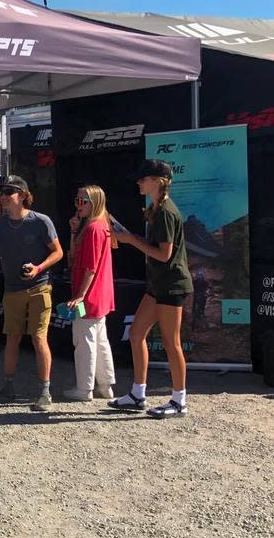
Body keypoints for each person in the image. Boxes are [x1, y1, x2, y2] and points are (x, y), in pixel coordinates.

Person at [109, 158, 193, 418]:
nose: (138, 182)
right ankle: (137, 393)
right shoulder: (158, 208)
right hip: (158, 285)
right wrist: (130, 238)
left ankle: (179, 401)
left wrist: (131, 240)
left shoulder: (166, 211)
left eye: (143, 178)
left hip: (171, 285)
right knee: (136, 334)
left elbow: (164, 255)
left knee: (171, 342)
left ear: (158, 181)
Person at [0, 175, 64, 411]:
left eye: (8, 192)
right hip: (12, 290)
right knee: (12, 338)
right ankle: (8, 387)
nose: (3, 196)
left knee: (39, 338)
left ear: (23, 195)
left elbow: (58, 252)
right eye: (1, 192)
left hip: (39, 287)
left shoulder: (40, 221)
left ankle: (45, 392)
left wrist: (38, 268)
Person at [63, 185, 116, 401]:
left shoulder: (94, 228)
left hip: (91, 294)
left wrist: (80, 295)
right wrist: (74, 231)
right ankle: (105, 385)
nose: (78, 205)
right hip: (99, 293)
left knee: (84, 340)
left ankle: (85, 388)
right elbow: (75, 258)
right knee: (99, 338)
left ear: (95, 202)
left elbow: (90, 267)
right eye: (77, 200)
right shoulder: (99, 225)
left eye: (83, 201)